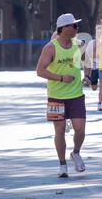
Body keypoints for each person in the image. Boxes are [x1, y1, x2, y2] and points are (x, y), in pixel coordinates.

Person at [36, 13, 90, 178]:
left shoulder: (79, 44)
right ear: (65, 28)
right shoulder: (50, 48)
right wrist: (60, 78)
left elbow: (86, 61)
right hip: (56, 96)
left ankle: (76, 153)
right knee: (59, 130)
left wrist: (87, 76)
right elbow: (40, 71)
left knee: (80, 129)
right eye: (74, 25)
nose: (77, 28)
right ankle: (62, 164)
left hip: (76, 95)